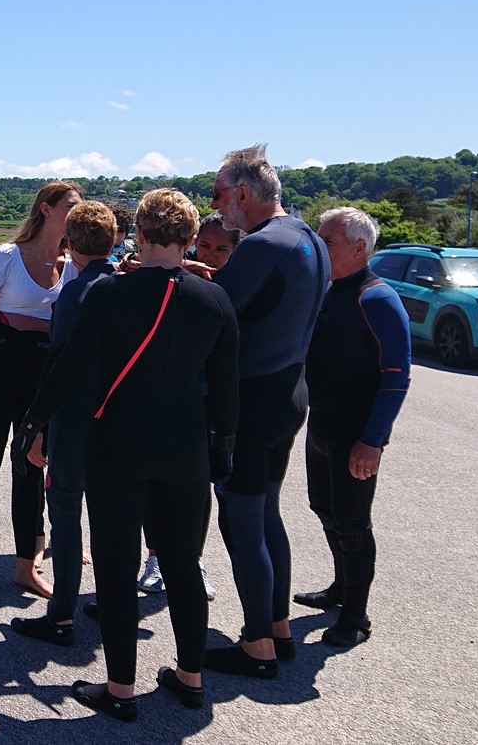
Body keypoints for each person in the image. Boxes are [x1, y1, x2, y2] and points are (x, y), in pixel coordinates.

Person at [15, 189, 239, 721]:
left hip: (117, 445)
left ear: (137, 233)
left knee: (116, 567)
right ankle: (191, 678)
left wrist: (34, 422)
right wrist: (222, 452)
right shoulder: (214, 300)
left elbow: (70, 367)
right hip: (186, 448)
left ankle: (120, 689)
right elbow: (227, 391)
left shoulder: (110, 294)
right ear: (191, 239)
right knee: (183, 564)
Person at [206, 144, 330, 678]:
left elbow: (216, 314)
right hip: (288, 392)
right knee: (266, 514)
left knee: (241, 521)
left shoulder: (261, 244)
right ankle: (278, 628)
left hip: (253, 400)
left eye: (217, 194)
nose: (215, 204)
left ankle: (256, 646)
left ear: (242, 193)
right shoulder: (308, 237)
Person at [0, 181, 83, 601]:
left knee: (31, 464)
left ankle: (26, 565)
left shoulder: (73, 264)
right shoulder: (7, 257)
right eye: (71, 206)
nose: (78, 213)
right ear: (46, 209)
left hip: (41, 372)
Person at [295, 207, 410, 648]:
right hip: (323, 424)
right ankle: (341, 588)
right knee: (324, 508)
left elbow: (396, 376)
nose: (319, 247)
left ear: (360, 248)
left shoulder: (376, 298)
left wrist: (372, 440)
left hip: (356, 432)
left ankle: (356, 616)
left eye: (328, 241)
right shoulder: (329, 290)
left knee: (352, 522)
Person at [10, 199, 117, 646]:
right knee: (111, 518)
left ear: (69, 244)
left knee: (67, 514)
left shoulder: (76, 293)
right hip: (115, 419)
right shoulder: (124, 285)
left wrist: (37, 425)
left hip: (74, 419)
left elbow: (60, 363)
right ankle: (112, 601)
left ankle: (61, 614)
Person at [139, 212, 241, 596]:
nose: (211, 255)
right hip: (160, 397)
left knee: (198, 490)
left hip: (204, 402)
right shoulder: (173, 274)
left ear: (234, 251)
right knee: (151, 484)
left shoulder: (232, 288)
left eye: (222, 249)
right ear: (193, 241)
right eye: (206, 246)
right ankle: (154, 557)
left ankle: (192, 559)